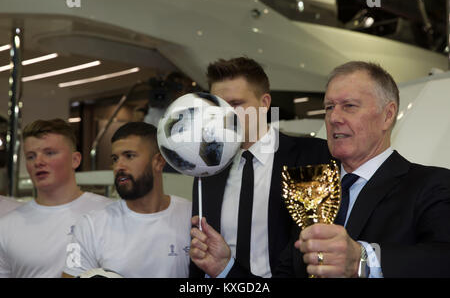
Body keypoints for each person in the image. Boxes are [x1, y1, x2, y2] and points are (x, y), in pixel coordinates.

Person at [190, 61, 450, 278]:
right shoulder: (311, 194)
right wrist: (225, 268)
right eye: (329, 107)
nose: (334, 118)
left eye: (349, 106)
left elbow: (442, 258)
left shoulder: (431, 185)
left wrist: (364, 260)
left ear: (387, 115)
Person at [189, 57, 332, 278]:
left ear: (264, 103)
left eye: (235, 104)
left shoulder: (311, 156)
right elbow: (201, 255)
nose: (225, 116)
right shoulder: (209, 168)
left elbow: (309, 256)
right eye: (218, 106)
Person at [62, 122, 192, 278]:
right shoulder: (89, 225)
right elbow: (69, 275)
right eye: (115, 158)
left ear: (158, 161)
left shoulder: (192, 215)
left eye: (129, 156)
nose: (118, 166)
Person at [0, 119, 113, 278]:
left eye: (49, 153)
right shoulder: (6, 226)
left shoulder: (109, 213)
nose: (38, 162)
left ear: (75, 160)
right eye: (31, 156)